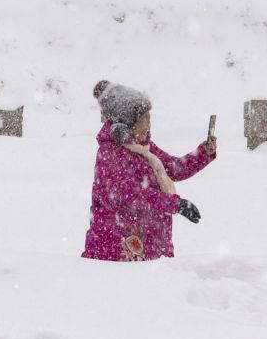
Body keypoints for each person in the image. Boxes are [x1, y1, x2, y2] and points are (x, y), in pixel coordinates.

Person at [82, 80, 217, 262]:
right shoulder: (110, 153)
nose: (149, 125)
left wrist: (203, 153)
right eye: (143, 120)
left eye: (149, 118)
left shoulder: (143, 148)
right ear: (126, 124)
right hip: (115, 253)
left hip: (147, 247)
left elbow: (174, 168)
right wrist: (175, 204)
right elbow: (129, 195)